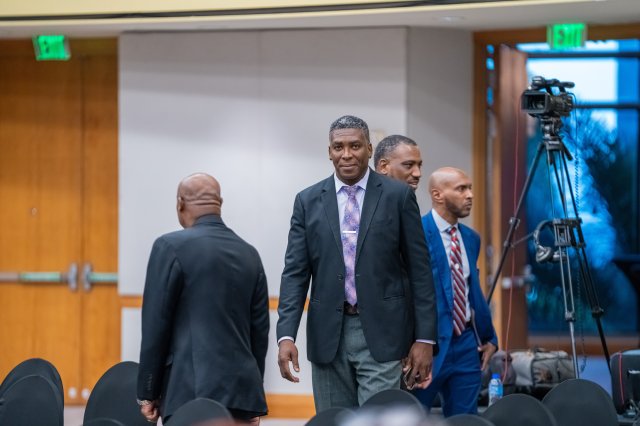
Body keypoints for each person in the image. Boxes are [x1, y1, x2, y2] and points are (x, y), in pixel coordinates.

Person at [276, 115, 438, 411]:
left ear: (369, 148)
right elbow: (295, 274)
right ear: (329, 152)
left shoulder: (398, 196)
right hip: (328, 336)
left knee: (377, 419)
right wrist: (286, 335)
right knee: (334, 420)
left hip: (383, 334)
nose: (347, 154)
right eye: (338, 147)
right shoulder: (307, 201)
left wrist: (425, 339)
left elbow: (420, 272)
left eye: (355, 146)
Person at [137, 173, 269, 425]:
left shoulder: (169, 247)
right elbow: (259, 334)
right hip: (242, 394)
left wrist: (147, 392)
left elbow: (155, 326)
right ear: (220, 203)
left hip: (188, 394)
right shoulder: (250, 254)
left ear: (180, 204)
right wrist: (252, 398)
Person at [413, 167, 497, 417]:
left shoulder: (471, 238)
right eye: (461, 189)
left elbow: (472, 291)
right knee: (412, 417)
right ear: (437, 195)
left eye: (469, 188)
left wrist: (490, 338)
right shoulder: (416, 233)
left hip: (466, 345)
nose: (470, 195)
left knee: (466, 420)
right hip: (428, 345)